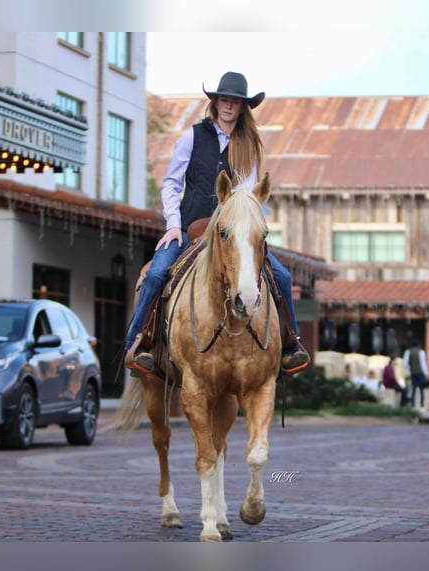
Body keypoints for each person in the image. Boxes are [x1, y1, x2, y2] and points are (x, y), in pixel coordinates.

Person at [124, 71, 309, 376]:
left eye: (234, 101)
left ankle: (290, 346)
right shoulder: (191, 137)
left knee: (284, 278)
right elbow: (170, 184)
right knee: (156, 275)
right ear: (216, 102)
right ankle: (137, 345)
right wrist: (173, 224)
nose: (228, 106)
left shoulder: (249, 145)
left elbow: (246, 196)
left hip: (231, 233)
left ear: (242, 107)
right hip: (189, 228)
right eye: (224, 99)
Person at [402, 339, 429, 409]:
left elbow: (405, 364)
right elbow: (423, 364)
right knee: (421, 390)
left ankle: (413, 405)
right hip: (420, 373)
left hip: (413, 372)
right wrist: (426, 373)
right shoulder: (421, 352)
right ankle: (422, 406)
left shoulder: (408, 352)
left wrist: (411, 367)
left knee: (413, 389)